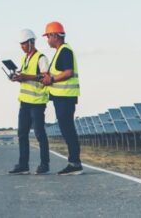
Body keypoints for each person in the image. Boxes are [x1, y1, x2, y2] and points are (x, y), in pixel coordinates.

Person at [41, 21, 83, 175]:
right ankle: (74, 162)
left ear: (54, 35)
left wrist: (51, 80)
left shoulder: (65, 51)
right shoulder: (61, 51)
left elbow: (68, 72)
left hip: (65, 97)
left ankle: (75, 163)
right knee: (67, 130)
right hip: (62, 98)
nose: (47, 40)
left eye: (48, 36)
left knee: (68, 130)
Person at [8, 29, 50, 175]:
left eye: (25, 44)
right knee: (22, 134)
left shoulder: (41, 58)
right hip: (25, 102)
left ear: (32, 42)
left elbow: (45, 77)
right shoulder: (24, 59)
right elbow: (25, 77)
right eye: (21, 44)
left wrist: (25, 77)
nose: (22, 47)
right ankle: (23, 165)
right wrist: (17, 77)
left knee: (39, 133)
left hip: (38, 102)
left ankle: (45, 164)